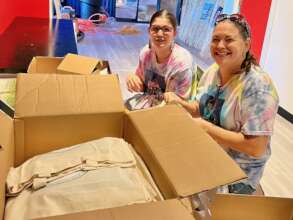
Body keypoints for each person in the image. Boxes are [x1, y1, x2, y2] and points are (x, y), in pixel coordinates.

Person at [164, 13, 279, 194]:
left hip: (238, 175)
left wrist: (207, 129)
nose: (220, 46)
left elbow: (256, 147)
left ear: (246, 45)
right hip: (209, 155)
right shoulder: (213, 71)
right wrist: (181, 102)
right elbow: (203, 109)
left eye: (228, 40)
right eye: (215, 39)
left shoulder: (257, 86)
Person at [125, 9, 194, 110]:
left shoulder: (181, 63)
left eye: (166, 29)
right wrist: (133, 79)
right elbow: (141, 85)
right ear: (149, 31)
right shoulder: (145, 53)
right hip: (150, 101)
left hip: (171, 110)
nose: (160, 34)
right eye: (155, 29)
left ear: (174, 32)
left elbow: (178, 104)